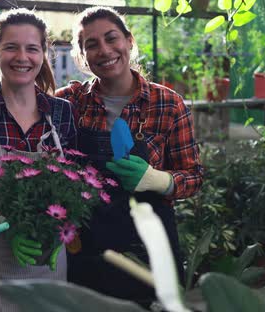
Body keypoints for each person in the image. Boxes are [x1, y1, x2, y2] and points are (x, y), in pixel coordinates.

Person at [55, 6, 203, 306]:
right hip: (89, 248)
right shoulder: (69, 103)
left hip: (149, 244)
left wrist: (158, 180)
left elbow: (194, 177)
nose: (104, 50)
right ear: (82, 56)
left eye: (112, 38)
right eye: (91, 44)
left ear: (129, 40)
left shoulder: (167, 104)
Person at [0, 8, 77, 312]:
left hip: (50, 255)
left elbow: (75, 182)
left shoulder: (62, 112)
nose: (21, 57)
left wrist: (62, 226)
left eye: (32, 48)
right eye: (11, 46)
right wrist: (3, 223)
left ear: (44, 53)